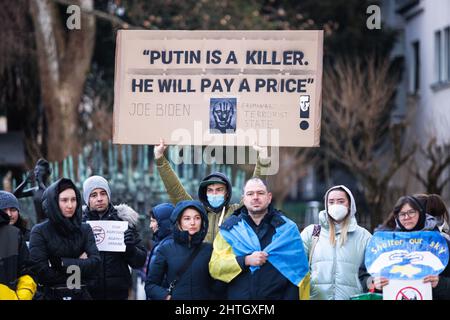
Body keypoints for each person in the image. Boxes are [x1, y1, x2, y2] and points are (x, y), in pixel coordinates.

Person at [209, 178, 309, 300]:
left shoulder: (288, 230)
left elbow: (298, 275)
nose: (255, 197)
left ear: (269, 197)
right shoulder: (229, 230)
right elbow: (215, 267)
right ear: (244, 199)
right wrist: (244, 260)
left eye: (260, 193)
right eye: (250, 194)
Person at [154, 139, 271, 243]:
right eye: (210, 190)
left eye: (219, 190)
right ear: (205, 193)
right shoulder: (197, 212)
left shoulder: (237, 211)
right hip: (201, 266)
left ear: (227, 193)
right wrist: (160, 158)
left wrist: (263, 159)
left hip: (228, 266)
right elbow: (175, 190)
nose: (214, 194)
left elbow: (256, 186)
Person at [29, 178, 101, 300]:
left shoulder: (85, 229)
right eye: (64, 200)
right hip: (50, 296)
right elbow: (41, 272)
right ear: (54, 202)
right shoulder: (39, 231)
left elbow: (95, 264)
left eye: (73, 200)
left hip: (81, 296)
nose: (70, 205)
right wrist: (80, 268)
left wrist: (61, 263)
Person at [369, 195, 450, 299]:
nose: (407, 217)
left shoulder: (440, 244)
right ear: (397, 216)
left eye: (411, 212)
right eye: (402, 214)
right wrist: (375, 284)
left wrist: (439, 283)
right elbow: (365, 279)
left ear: (420, 213)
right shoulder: (385, 244)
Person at [301, 185, 372, 300]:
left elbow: (371, 273)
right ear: (326, 205)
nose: (336, 205)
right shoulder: (312, 232)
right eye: (331, 202)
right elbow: (297, 266)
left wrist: (369, 283)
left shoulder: (364, 237)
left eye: (341, 201)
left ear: (349, 205)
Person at [82, 175, 147, 300]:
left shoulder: (123, 221)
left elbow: (140, 261)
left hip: (118, 293)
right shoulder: (79, 224)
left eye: (103, 193)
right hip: (87, 293)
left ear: (108, 196)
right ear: (87, 199)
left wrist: (131, 249)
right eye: (93, 195)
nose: (99, 199)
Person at [145, 200, 217, 300]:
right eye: (187, 218)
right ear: (179, 222)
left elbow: (219, 283)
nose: (192, 223)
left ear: (202, 221)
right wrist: (166, 296)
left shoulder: (209, 250)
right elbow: (150, 285)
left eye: (197, 218)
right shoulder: (165, 249)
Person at [0, 209, 37, 300]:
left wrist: (22, 297)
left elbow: (28, 271)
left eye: (13, 209)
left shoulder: (13, 234)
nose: (9, 213)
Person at [14, 158, 51, 223]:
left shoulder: (51, 189)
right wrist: (25, 182)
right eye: (36, 170)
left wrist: (40, 182)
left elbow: (50, 198)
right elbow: (15, 195)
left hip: (49, 226)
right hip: (38, 225)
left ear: (47, 173)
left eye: (41, 170)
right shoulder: (34, 190)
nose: (37, 173)